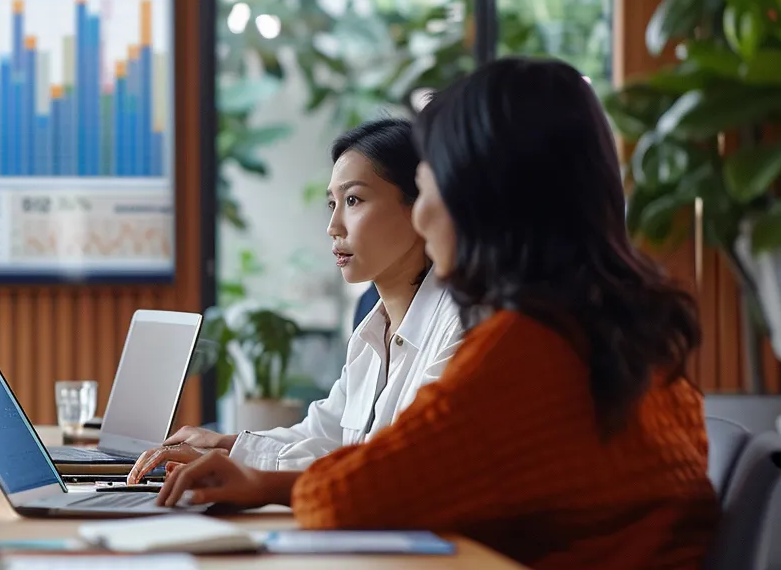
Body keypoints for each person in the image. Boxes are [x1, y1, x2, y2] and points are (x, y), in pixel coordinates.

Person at [142, 58, 718, 568]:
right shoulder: (623, 329)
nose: (422, 217)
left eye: (430, 183)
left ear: (484, 195)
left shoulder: (528, 346)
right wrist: (251, 465)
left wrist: (261, 481)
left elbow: (352, 494)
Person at [141, 119, 463, 471]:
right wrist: (225, 445)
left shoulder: (459, 325)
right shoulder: (371, 331)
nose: (333, 227)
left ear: (419, 206)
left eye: (353, 200)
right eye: (332, 203)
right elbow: (323, 435)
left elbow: (394, 466)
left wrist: (236, 458)